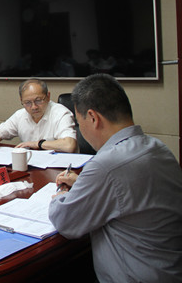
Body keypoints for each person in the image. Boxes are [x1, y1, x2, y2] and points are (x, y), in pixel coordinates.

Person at [48, 74, 182, 282]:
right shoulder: (158, 148)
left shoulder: (106, 165)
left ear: (93, 118)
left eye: (79, 123)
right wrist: (83, 183)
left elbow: (65, 221)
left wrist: (62, 193)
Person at [0, 78, 77, 152]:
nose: (34, 107)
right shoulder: (20, 115)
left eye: (38, 100)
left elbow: (69, 145)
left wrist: (37, 144)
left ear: (48, 97)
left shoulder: (61, 113)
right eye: (27, 102)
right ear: (21, 100)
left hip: (61, 166)